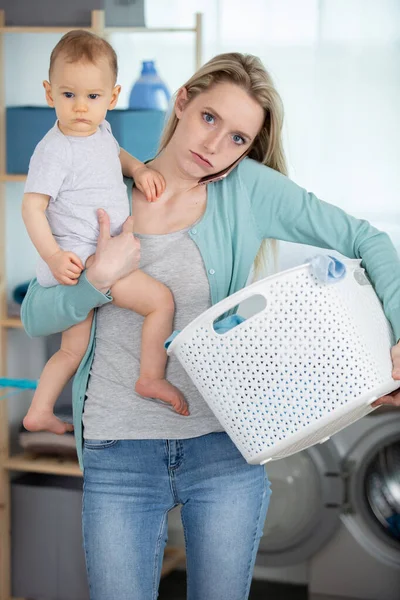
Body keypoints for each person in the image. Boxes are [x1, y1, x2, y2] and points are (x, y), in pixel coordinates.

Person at [21, 52, 400, 600]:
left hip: (222, 449)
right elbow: (36, 315)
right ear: (183, 102)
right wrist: (94, 282)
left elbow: (369, 240)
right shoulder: (98, 178)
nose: (216, 145)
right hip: (118, 450)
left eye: (239, 138)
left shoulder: (247, 190)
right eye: (209, 118)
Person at [21, 30, 188, 437]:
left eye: (92, 97)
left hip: (95, 258)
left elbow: (116, 155)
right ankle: (151, 375)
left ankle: (39, 410)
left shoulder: (101, 132)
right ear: (49, 93)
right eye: (68, 95)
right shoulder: (54, 149)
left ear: (111, 98)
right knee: (161, 301)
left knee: (73, 350)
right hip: (85, 260)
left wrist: (141, 169)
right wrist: (53, 256)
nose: (80, 107)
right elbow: (32, 207)